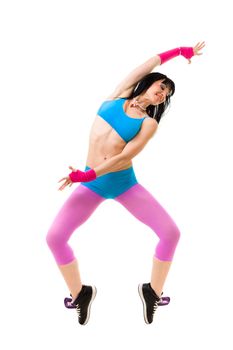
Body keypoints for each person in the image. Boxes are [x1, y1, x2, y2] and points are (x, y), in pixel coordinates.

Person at [46, 42, 205, 325]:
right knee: (54, 238)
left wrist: (86, 175)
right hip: (92, 185)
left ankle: (153, 293)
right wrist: (181, 51)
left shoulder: (148, 124)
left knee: (171, 233)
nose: (162, 92)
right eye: (161, 86)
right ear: (149, 83)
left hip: (121, 183)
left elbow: (123, 158)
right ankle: (80, 293)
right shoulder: (118, 95)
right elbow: (150, 61)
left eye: (166, 93)